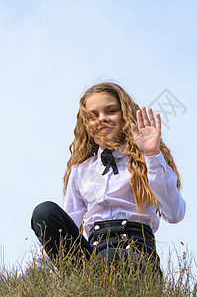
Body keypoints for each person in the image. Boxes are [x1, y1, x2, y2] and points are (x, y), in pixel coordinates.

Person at [31, 82, 185, 273]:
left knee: (109, 257)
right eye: (93, 116)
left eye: (111, 111)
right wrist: (27, 272)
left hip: (137, 258)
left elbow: (175, 214)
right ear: (86, 124)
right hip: (93, 257)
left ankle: (94, 278)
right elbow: (68, 222)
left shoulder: (146, 161)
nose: (102, 119)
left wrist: (152, 154)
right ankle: (83, 281)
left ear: (125, 115)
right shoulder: (81, 170)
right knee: (44, 212)